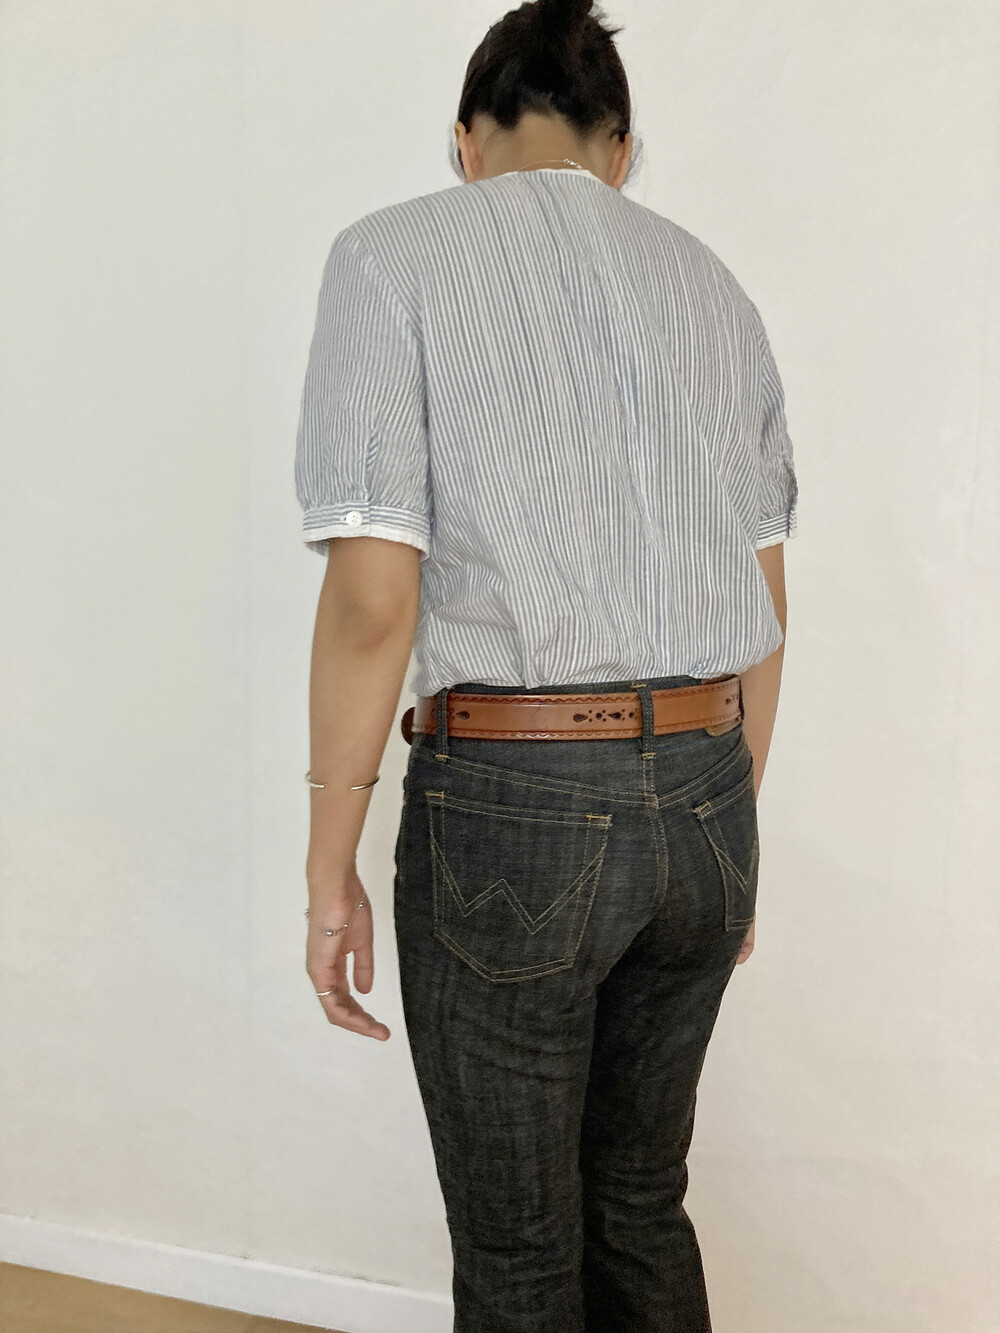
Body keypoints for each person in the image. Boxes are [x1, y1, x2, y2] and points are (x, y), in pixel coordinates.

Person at [294, 0, 798, 1328]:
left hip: (514, 808)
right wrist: (730, 829)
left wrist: (329, 861)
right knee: (639, 1201)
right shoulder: (712, 286)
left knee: (521, 1249)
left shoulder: (390, 256)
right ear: (620, 149)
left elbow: (372, 599)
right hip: (709, 798)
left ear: (466, 138)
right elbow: (764, 600)